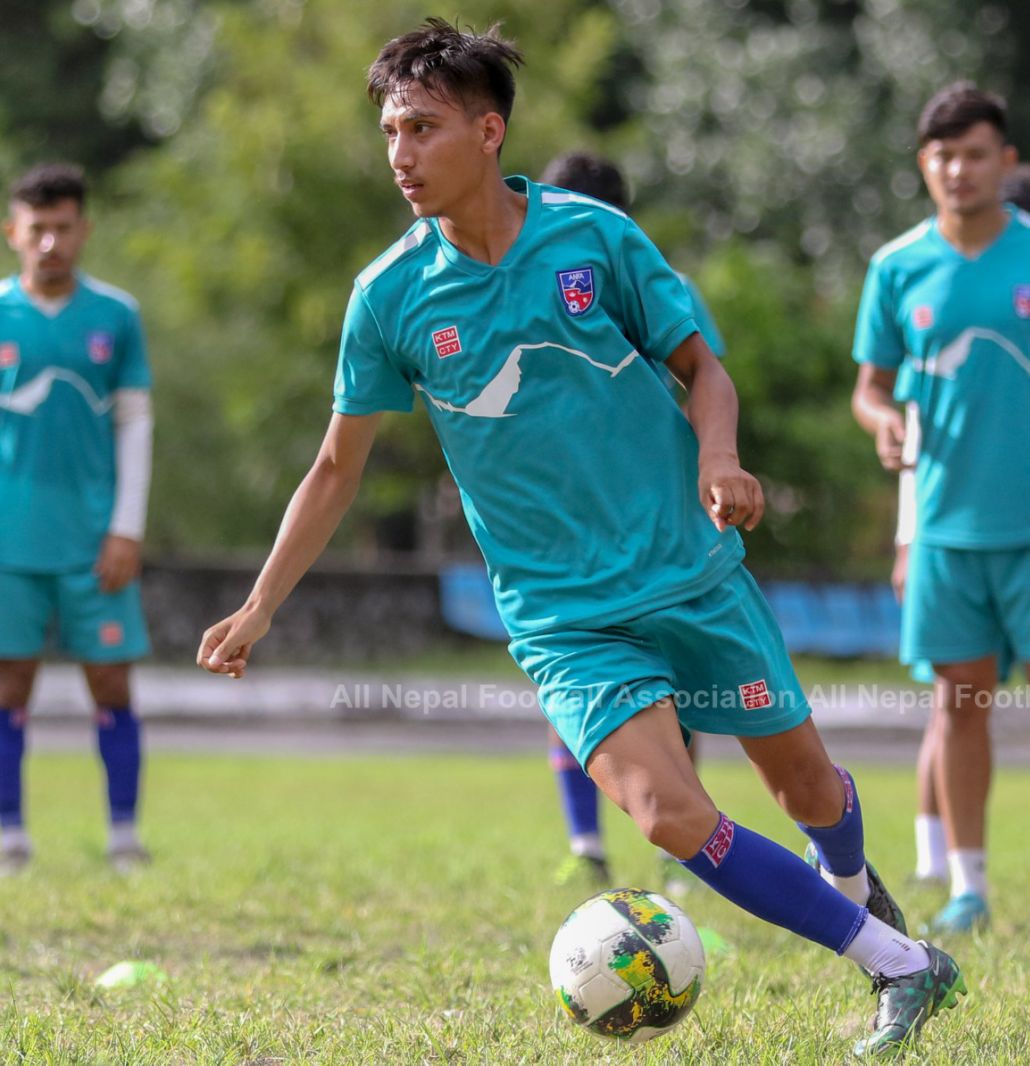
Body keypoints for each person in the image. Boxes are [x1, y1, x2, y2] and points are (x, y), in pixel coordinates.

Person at [196, 20, 962, 1055]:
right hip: (562, 614)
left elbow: (705, 369)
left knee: (808, 788)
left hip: (685, 569)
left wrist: (719, 462)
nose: (400, 155)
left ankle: (856, 890)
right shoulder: (387, 297)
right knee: (665, 812)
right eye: (389, 131)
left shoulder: (595, 240)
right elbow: (338, 467)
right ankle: (899, 965)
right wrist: (261, 602)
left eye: (423, 128)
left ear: (489, 130)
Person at [851, 82, 1030, 933]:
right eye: (941, 155)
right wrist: (885, 420)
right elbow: (869, 389)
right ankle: (967, 886)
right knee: (958, 706)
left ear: (1005, 161)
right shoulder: (897, 266)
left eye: (973, 154)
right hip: (942, 530)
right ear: (924, 166)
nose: (957, 170)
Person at [534, 149, 724, 896]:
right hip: (566, 522)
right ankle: (586, 844)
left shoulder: (657, 284)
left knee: (674, 685)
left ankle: (682, 849)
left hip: (655, 522)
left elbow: (705, 381)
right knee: (571, 682)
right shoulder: (521, 288)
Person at [0, 163, 154, 875]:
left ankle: (123, 838)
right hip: (11, 541)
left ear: (83, 230)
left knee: (112, 685)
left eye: (63, 228)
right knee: (8, 687)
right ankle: (10, 838)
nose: (51, 243)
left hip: (96, 541)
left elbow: (135, 424)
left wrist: (126, 525)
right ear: (13, 233)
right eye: (38, 229)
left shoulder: (116, 316)